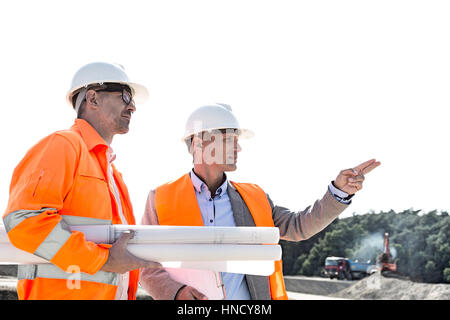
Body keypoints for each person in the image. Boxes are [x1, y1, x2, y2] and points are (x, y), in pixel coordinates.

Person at [140, 103, 380, 300]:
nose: (239, 148)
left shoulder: (254, 197)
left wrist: (338, 192)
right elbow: (144, 265)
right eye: (229, 139)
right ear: (199, 143)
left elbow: (299, 226)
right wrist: (176, 293)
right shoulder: (160, 198)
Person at [2, 62, 160, 300]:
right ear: (93, 98)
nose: (133, 107)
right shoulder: (63, 145)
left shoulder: (113, 174)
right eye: (125, 96)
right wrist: (103, 260)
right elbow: (25, 220)